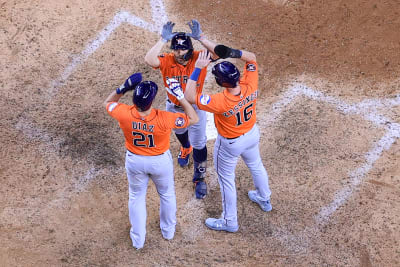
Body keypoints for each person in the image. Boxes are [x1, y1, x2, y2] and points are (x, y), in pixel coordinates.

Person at [104, 73, 199, 249]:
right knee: (166, 195)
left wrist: (122, 88)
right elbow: (194, 118)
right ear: (151, 101)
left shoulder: (124, 113)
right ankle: (168, 231)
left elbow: (108, 103)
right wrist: (180, 97)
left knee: (136, 197)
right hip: (159, 162)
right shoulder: (165, 118)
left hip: (135, 161)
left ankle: (138, 240)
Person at [183, 46, 273, 232]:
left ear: (221, 83)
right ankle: (264, 198)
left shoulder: (219, 101)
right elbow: (252, 58)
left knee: (226, 181)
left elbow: (189, 96)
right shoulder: (250, 84)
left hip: (230, 144)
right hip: (251, 135)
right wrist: (233, 53)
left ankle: (229, 222)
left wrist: (198, 67)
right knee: (256, 165)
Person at [144, 19, 217, 199]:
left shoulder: (199, 58)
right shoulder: (167, 60)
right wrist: (162, 39)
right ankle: (185, 147)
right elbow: (149, 59)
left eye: (182, 49)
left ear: (190, 49)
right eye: (176, 49)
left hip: (196, 107)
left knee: (199, 143)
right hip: (174, 107)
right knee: (179, 130)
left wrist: (201, 38)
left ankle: (199, 178)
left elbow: (217, 53)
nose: (178, 52)